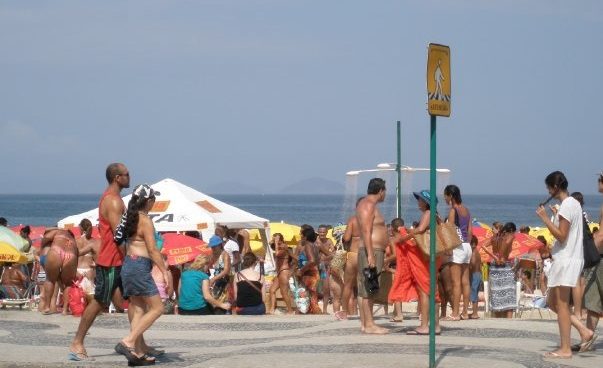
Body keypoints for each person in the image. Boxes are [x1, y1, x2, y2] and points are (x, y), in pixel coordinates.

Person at [69, 163, 133, 361]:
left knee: (135, 298)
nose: (130, 177)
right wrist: (132, 257)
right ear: (117, 178)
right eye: (126, 174)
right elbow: (118, 235)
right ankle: (77, 343)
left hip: (116, 258)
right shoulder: (113, 201)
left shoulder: (114, 198)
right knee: (99, 301)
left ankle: (138, 343)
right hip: (111, 259)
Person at [536, 171, 595, 358]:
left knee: (561, 305)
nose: (548, 191)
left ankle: (565, 348)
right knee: (553, 302)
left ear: (554, 187)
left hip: (566, 259)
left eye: (548, 187)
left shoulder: (567, 205)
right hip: (571, 258)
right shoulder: (573, 204)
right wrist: (555, 215)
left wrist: (545, 219)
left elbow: (562, 236)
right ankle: (583, 331)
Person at [115, 184, 169, 366]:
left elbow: (121, 243)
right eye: (154, 199)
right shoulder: (144, 219)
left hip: (129, 264)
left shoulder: (129, 217)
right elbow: (153, 250)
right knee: (158, 308)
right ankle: (128, 341)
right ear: (148, 201)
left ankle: (137, 354)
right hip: (140, 266)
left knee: (138, 309)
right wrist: (165, 271)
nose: (154, 202)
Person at [394, 190, 441, 335]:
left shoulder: (427, 214)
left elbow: (421, 230)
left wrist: (404, 237)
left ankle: (424, 326)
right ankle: (436, 326)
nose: (418, 202)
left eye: (420, 199)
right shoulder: (436, 215)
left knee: (424, 291)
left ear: (426, 202)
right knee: (432, 290)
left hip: (425, 257)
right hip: (433, 255)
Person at [573, 173, 603, 352]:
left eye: (599, 180)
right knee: (593, 299)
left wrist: (588, 251)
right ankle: (588, 336)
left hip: (599, 258)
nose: (597, 184)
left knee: (593, 297)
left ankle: (588, 336)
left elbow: (602, 234)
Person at [356, 178, 389, 334]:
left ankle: (365, 324)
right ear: (381, 191)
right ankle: (369, 324)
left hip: (373, 250)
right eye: (385, 191)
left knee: (366, 288)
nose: (385, 195)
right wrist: (370, 255)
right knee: (370, 288)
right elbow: (366, 231)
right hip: (372, 250)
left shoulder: (367, 204)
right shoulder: (368, 205)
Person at [443, 185, 472, 321]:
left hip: (458, 246)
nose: (444, 198)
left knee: (456, 283)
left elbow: (450, 230)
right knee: (465, 281)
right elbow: (470, 231)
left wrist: (449, 247)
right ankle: (465, 312)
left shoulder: (453, 210)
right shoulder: (466, 210)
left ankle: (455, 313)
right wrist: (467, 244)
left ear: (450, 196)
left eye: (445, 195)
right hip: (467, 246)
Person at [335, 198, 363, 320]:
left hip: (352, 254)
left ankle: (345, 312)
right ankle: (366, 313)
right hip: (365, 254)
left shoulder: (353, 220)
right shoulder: (371, 220)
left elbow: (346, 238)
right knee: (364, 285)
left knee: (347, 285)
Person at [481, 222, 516, 318]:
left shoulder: (494, 238)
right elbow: (504, 251)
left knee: (496, 294)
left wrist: (494, 257)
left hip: (494, 267)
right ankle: (509, 321)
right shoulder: (509, 238)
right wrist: (499, 257)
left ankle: (498, 320)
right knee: (509, 295)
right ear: (512, 231)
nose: (492, 230)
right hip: (504, 266)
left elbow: (483, 245)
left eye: (493, 228)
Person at [40, 228, 78, 315]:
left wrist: (42, 246)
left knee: (50, 280)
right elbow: (77, 254)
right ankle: (65, 310)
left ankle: (47, 307)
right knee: (68, 283)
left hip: (56, 251)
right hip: (71, 255)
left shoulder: (59, 231)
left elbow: (46, 237)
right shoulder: (73, 239)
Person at [293, 226, 322, 314]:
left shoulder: (308, 245)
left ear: (305, 236)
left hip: (309, 273)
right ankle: (314, 314)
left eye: (301, 234)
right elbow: (317, 260)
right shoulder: (315, 245)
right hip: (314, 272)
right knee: (312, 295)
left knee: (304, 295)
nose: (300, 236)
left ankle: (312, 314)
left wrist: (301, 270)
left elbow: (311, 260)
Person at [267, 233, 294, 314]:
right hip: (279, 272)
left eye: (278, 239)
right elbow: (271, 246)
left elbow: (278, 254)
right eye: (275, 239)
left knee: (284, 292)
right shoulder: (278, 246)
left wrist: (275, 243)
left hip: (284, 271)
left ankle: (290, 310)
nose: (276, 241)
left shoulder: (284, 247)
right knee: (272, 290)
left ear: (282, 240)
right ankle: (272, 309)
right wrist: (273, 241)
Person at [316, 224, 339, 314]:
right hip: (318, 267)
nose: (322, 234)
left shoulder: (329, 241)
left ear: (326, 232)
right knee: (316, 289)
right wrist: (329, 255)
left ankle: (324, 310)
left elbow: (334, 253)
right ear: (318, 232)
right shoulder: (315, 242)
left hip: (326, 267)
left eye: (324, 232)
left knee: (326, 289)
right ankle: (315, 308)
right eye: (320, 232)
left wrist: (328, 256)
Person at [75, 219, 100, 301]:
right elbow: (98, 258)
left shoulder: (76, 241)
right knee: (90, 297)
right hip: (89, 270)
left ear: (81, 228)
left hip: (77, 270)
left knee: (78, 297)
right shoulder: (94, 242)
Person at [208, 235, 232, 313]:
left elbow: (226, 270)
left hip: (224, 283)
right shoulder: (212, 255)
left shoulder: (225, 255)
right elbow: (208, 267)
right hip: (215, 284)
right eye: (212, 247)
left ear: (220, 245)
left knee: (224, 305)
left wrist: (214, 278)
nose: (213, 248)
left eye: (214, 246)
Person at [468, 235, 482, 319]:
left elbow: (472, 263)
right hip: (478, 274)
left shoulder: (473, 252)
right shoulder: (477, 251)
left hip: (475, 274)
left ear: (473, 244)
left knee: (473, 293)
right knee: (475, 294)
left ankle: (475, 313)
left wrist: (468, 266)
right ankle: (474, 312)